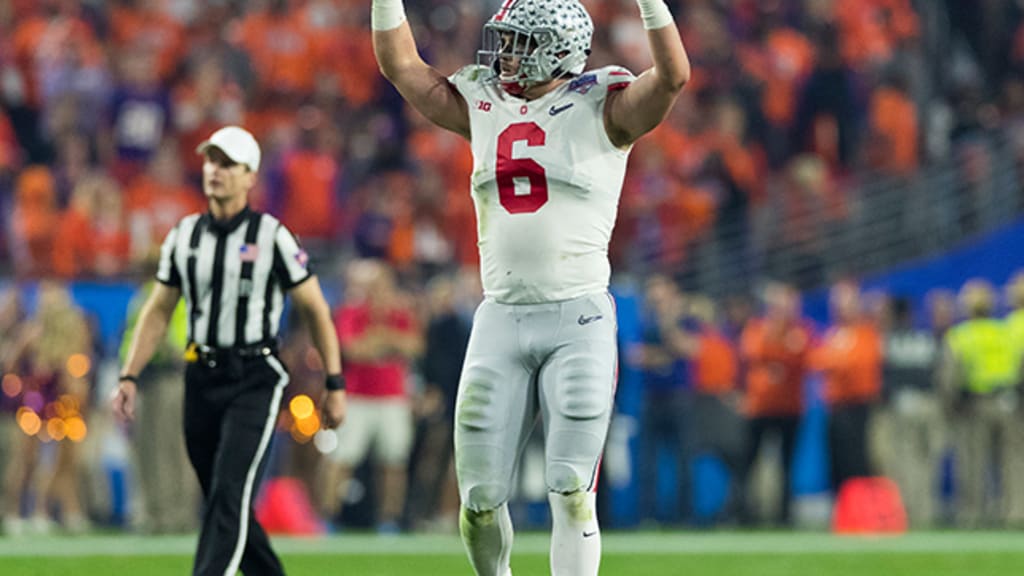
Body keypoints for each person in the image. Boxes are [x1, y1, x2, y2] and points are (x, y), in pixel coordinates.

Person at [371, 0, 690, 572]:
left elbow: (673, 77)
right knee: (479, 501)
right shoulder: (485, 103)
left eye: (520, 41)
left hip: (580, 319)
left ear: (557, 48)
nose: (505, 54)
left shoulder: (604, 108)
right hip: (501, 317)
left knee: (571, 486)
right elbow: (401, 65)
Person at [111, 125, 347, 576]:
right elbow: (159, 309)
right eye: (210, 161)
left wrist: (334, 383)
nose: (215, 171)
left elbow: (316, 310)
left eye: (227, 164)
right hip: (200, 375)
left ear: (249, 176)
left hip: (255, 376)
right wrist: (129, 375)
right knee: (222, 496)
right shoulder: (184, 235)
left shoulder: (273, 236)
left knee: (229, 492)